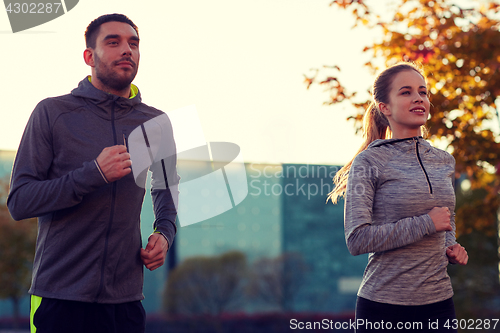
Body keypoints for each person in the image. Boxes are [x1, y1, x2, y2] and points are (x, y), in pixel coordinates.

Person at [7, 14, 179, 333]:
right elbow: (19, 202)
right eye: (113, 42)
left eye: (133, 43)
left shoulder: (157, 123)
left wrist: (165, 233)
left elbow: (166, 189)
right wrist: (93, 174)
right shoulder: (52, 113)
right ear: (89, 56)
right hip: (59, 299)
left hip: (125, 303)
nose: (126, 49)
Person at [329, 62, 468, 332]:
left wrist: (452, 247)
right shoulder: (369, 162)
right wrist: (426, 223)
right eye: (406, 92)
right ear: (385, 107)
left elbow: (445, 219)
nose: (419, 98)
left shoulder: (444, 161)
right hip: (384, 307)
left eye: (423, 92)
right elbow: (356, 240)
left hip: (439, 304)